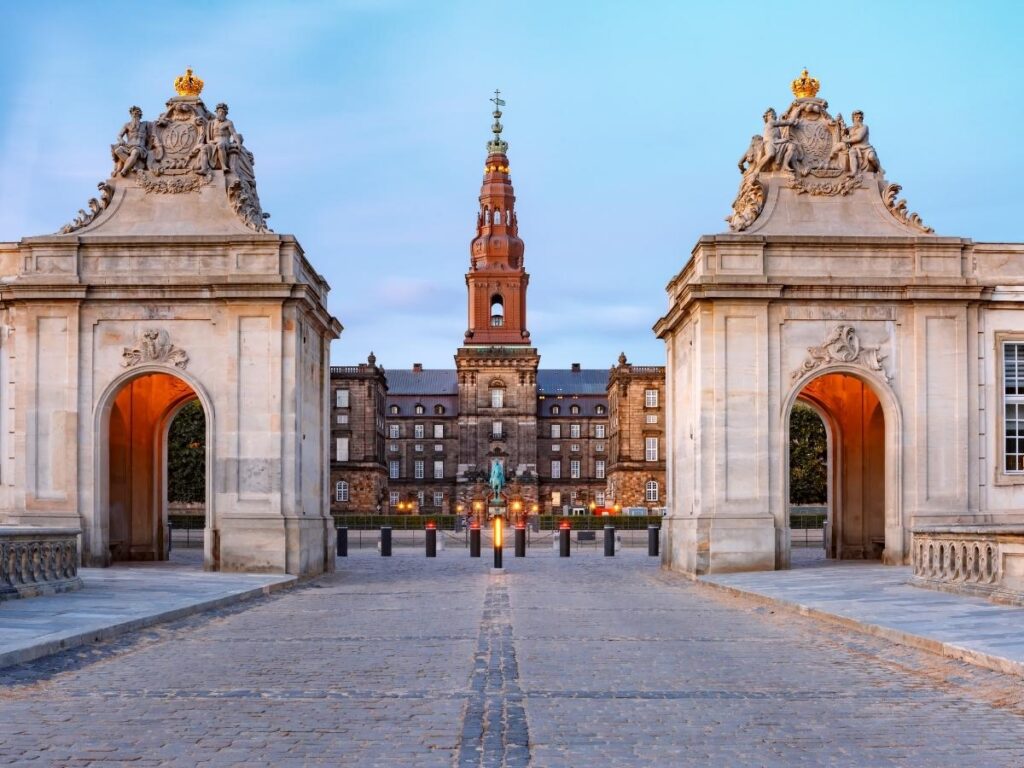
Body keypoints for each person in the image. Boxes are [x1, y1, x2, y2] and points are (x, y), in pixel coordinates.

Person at [111, 106, 150, 177]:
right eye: (133, 114)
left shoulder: (145, 124)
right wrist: (121, 140)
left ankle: (124, 170)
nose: (135, 116)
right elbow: (119, 136)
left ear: (140, 115)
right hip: (128, 146)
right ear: (131, 115)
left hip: (140, 147)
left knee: (135, 152)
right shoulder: (127, 125)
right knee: (117, 151)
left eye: (137, 114)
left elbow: (154, 131)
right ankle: (134, 165)